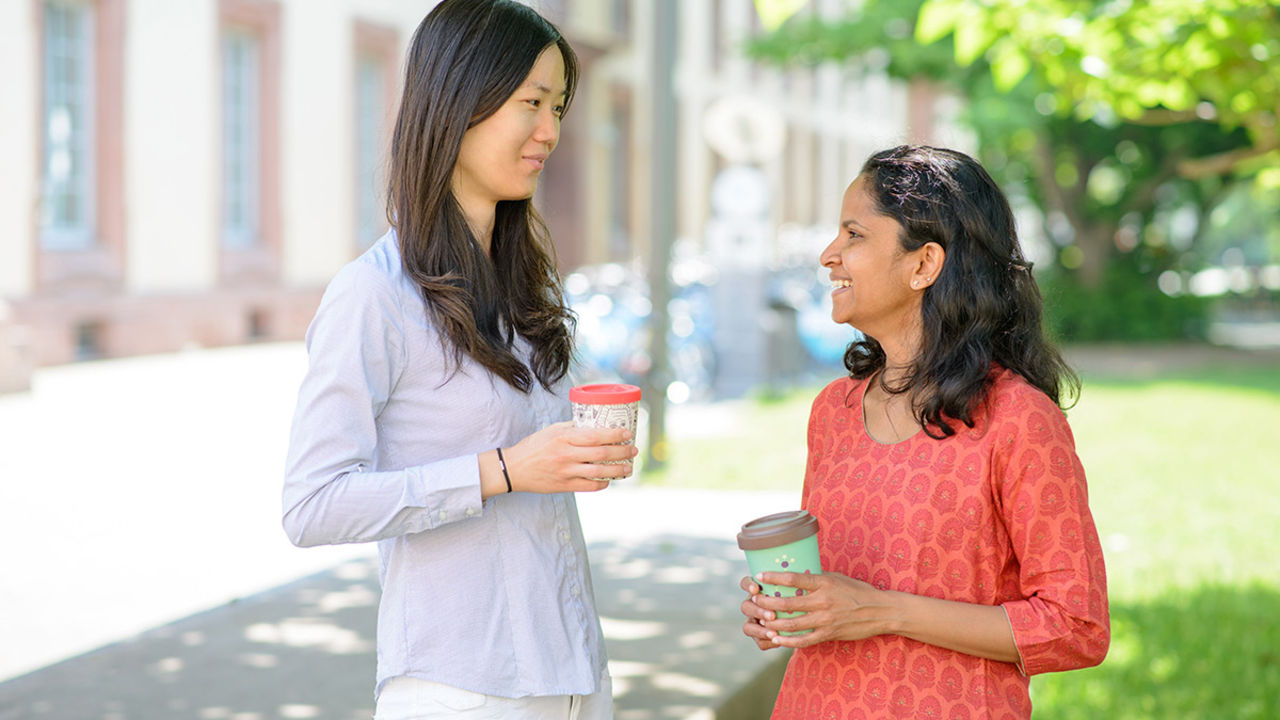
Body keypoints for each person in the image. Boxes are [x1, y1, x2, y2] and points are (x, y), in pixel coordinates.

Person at [281, 1, 634, 718]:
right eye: (530, 102)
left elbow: (551, 444)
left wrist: (593, 447)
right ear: (457, 100)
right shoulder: (373, 296)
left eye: (559, 106)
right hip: (462, 686)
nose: (550, 131)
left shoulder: (526, 286)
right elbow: (311, 506)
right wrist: (502, 472)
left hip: (571, 672)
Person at [738, 145, 1110, 719]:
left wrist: (883, 611)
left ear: (923, 264)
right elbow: (841, 586)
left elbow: (1075, 625)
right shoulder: (832, 411)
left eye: (854, 235)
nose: (828, 254)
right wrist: (793, 609)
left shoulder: (1018, 419)